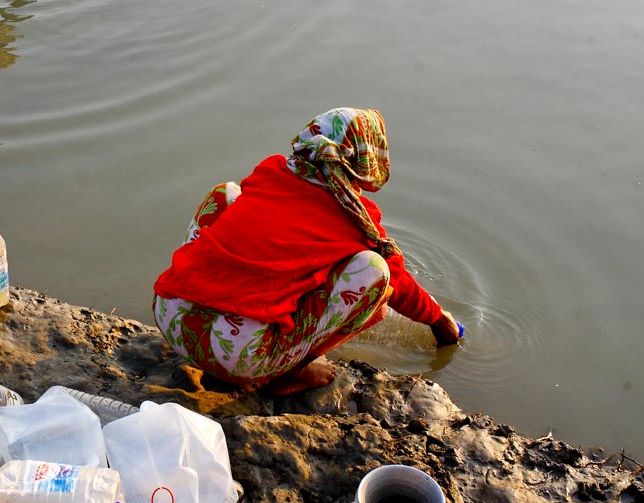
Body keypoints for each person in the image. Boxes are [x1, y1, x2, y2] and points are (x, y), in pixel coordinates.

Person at [152, 108, 462, 396]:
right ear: (363, 161)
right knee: (375, 271)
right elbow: (400, 286)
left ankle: (220, 353)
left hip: (171, 317)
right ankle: (285, 374)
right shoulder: (353, 216)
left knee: (226, 194)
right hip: (236, 355)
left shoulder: (271, 171)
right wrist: (439, 322)